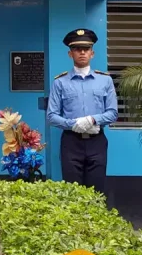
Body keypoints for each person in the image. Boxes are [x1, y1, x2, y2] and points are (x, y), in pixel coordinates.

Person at [46, 28, 118, 193]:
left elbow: (113, 112)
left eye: (86, 49)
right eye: (77, 49)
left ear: (92, 53)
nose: (82, 53)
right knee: (72, 191)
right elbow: (51, 116)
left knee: (96, 190)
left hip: (96, 141)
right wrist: (73, 124)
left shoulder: (105, 80)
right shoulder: (60, 82)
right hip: (71, 142)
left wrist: (92, 120)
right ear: (70, 54)